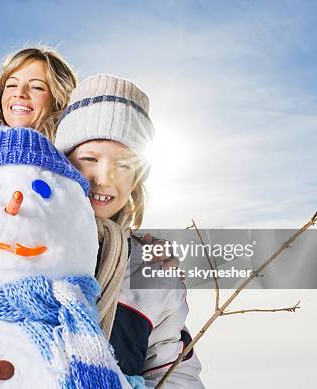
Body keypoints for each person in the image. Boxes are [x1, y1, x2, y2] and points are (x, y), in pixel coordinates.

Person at [55, 74, 205, 388]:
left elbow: (175, 373)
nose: (103, 178)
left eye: (123, 165)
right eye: (89, 159)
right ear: (64, 162)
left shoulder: (151, 271)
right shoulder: (23, 245)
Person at [0, 46, 77, 142]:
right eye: (11, 85)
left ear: (58, 100)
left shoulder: (75, 157)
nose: (19, 93)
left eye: (36, 87)